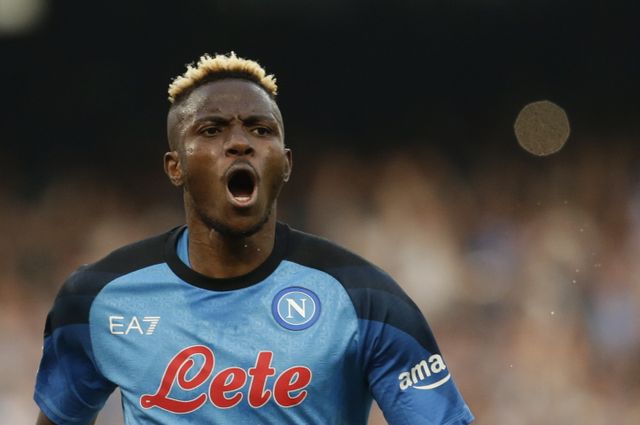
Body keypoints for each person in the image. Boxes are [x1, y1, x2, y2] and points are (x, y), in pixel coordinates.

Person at [34, 52, 475, 425]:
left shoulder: (366, 300)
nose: (240, 143)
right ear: (175, 167)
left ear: (285, 164)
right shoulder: (96, 299)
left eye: (260, 130)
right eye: (211, 130)